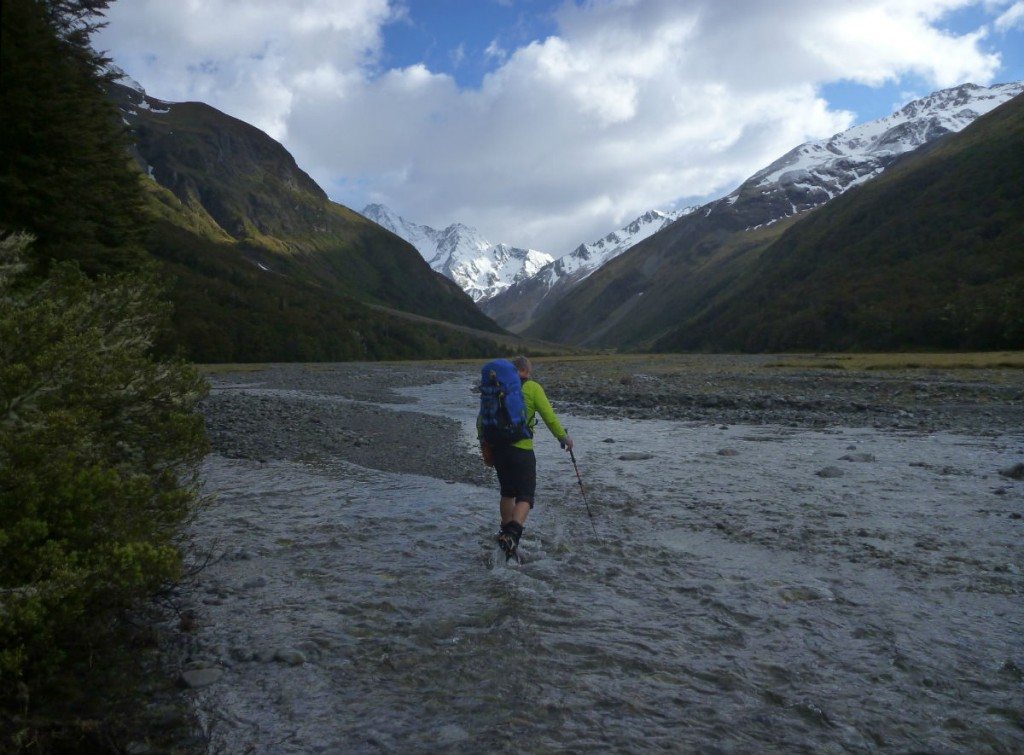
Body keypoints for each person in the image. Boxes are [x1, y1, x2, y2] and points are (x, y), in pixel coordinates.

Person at [481, 355, 573, 561]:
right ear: (526, 371)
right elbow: (549, 417)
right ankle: (512, 536)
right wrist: (564, 437)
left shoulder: (495, 390)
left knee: (507, 492)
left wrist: (485, 448)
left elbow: (482, 420)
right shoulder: (532, 388)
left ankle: (504, 537)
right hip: (522, 450)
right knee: (526, 496)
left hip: (498, 450)